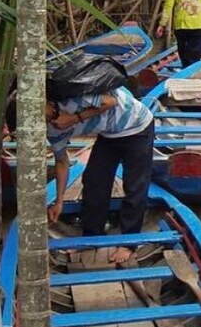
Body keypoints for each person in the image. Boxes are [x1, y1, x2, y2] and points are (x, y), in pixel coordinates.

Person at [45, 82, 155, 264]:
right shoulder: (51, 129)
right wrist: (59, 201)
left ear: (47, 102)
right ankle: (92, 236)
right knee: (93, 180)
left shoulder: (70, 97)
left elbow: (110, 101)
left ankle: (128, 243)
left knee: (135, 185)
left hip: (136, 125)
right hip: (110, 133)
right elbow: (62, 161)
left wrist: (73, 119)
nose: (44, 119)